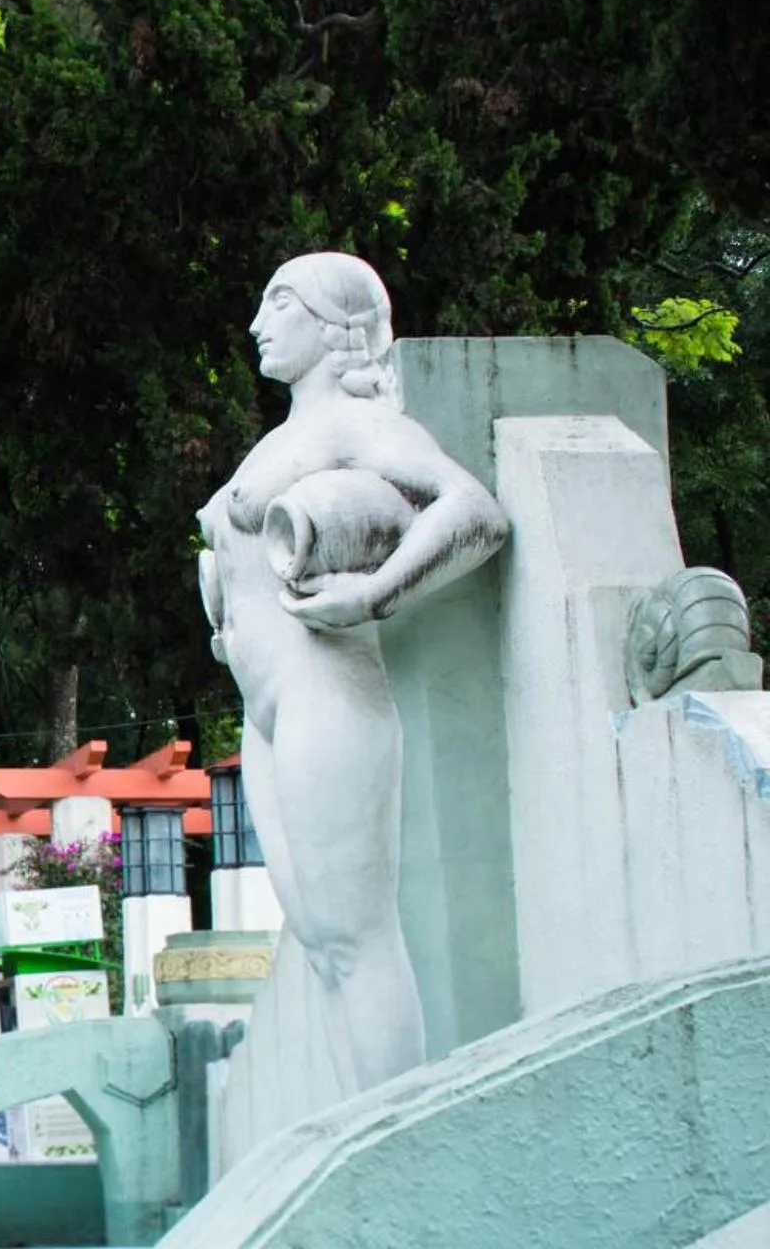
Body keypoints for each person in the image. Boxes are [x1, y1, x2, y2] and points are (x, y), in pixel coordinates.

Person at [197, 252, 508, 1095]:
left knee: (358, 935)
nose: (260, 322)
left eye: (281, 302)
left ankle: (394, 1138)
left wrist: (375, 593)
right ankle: (355, 1125)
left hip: (326, 694)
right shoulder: (279, 440)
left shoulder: (352, 427)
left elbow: (473, 510)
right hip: (264, 714)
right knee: (323, 941)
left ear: (337, 327)